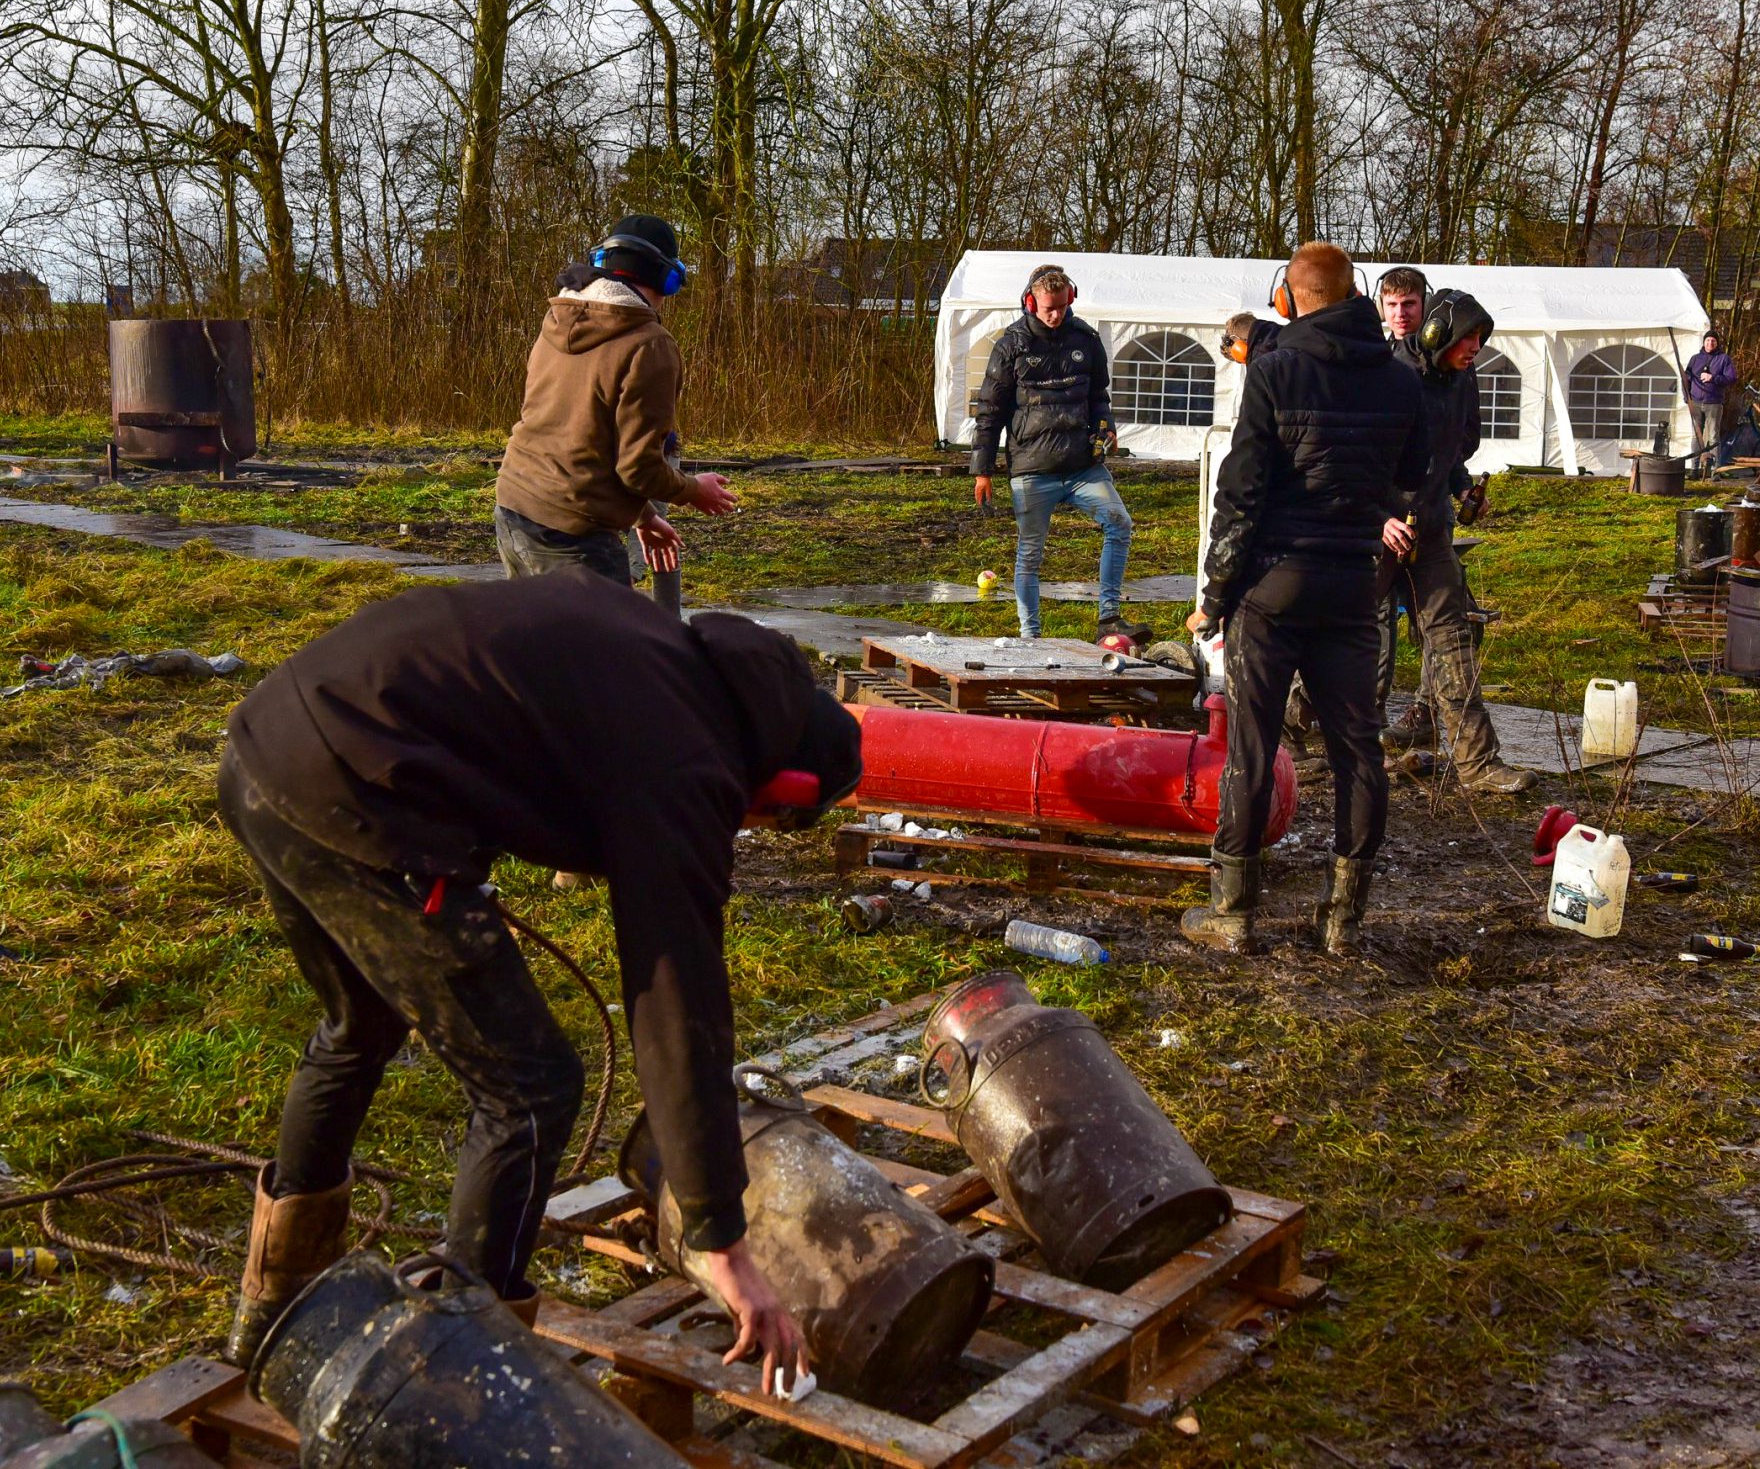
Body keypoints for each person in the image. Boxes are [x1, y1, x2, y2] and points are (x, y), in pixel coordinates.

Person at [216, 569, 863, 1393]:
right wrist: (721, 1239)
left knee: (360, 1024)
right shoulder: (689, 760)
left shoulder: (658, 651)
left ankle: (270, 1309)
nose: (743, 827)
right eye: (766, 820)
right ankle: (464, 1379)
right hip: (360, 791)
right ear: (781, 788)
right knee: (530, 1087)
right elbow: (679, 997)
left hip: (268, 746)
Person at [1180, 242, 1429, 957]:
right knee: (1359, 751)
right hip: (1352, 583)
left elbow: (1240, 495)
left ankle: (1233, 913)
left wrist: (1215, 596)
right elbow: (1413, 473)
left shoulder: (1274, 370)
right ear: (1355, 295)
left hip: (1274, 586)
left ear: (1288, 299)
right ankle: (1343, 920)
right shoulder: (1400, 378)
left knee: (1252, 749)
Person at [494, 214, 737, 593]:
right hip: (573, 534)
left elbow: (581, 441)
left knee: (537, 632)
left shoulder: (557, 320)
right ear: (663, 276)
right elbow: (638, 469)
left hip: (514, 510)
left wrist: (644, 517)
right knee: (607, 635)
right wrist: (692, 489)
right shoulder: (649, 344)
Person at [1376, 288, 1532, 794]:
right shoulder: (1387, 377)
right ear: (1438, 333)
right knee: (1339, 637)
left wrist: (1462, 487)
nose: (1476, 348)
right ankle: (1293, 737)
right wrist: (1379, 518)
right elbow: (1352, 460)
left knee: (1452, 638)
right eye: (1469, 338)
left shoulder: (1461, 379)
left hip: (1429, 527)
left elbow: (1448, 450)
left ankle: (1478, 763)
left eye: (1481, 338)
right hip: (1374, 532)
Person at [969, 264, 1135, 639]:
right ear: (1031, 303)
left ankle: (1109, 616)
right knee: (1030, 553)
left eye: (1062, 306)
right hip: (1031, 468)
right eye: (1049, 308)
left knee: (1120, 522)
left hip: (1082, 466)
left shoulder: (1086, 339)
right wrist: (983, 470)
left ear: (1070, 299)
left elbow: (1098, 396)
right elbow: (990, 411)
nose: (1056, 314)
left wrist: (1106, 427)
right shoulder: (1011, 346)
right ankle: (1031, 636)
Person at [1682, 330, 1738, 478]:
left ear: (1717, 343)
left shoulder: (1724, 359)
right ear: (1704, 342)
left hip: (1714, 403)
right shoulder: (1695, 359)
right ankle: (1694, 470)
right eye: (1708, 340)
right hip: (1696, 402)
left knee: (1713, 436)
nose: (1710, 343)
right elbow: (1686, 379)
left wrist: (1713, 378)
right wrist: (1687, 398)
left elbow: (1731, 378)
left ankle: (1715, 471)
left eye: (1713, 341)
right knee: (1696, 436)